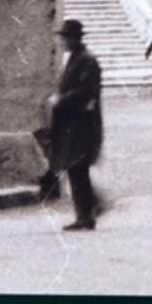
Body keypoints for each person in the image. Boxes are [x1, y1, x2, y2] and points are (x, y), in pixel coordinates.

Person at [47, 18, 104, 231]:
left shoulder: (87, 60)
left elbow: (85, 92)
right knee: (75, 170)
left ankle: (86, 215)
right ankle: (86, 213)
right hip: (73, 123)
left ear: (75, 38)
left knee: (78, 170)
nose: (63, 41)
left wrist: (60, 99)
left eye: (66, 37)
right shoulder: (76, 58)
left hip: (82, 124)